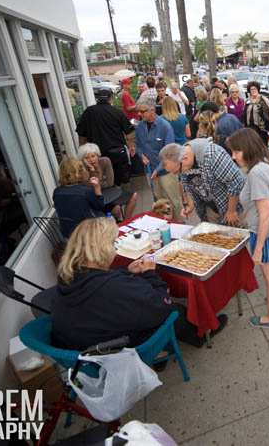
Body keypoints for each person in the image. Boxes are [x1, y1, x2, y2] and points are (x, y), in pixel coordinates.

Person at [51, 218, 227, 350]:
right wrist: (150, 274)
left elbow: (96, 282)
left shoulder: (68, 275)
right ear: (102, 249)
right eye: (113, 243)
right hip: (115, 350)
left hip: (80, 345)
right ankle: (200, 337)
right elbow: (161, 303)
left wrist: (125, 271)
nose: (115, 248)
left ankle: (164, 352)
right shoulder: (115, 287)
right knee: (176, 311)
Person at [226, 129, 269, 329]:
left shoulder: (255, 174)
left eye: (236, 151)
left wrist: (258, 249)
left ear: (246, 149)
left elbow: (264, 215)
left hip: (268, 233)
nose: (233, 156)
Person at [160, 139, 245, 225]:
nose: (177, 174)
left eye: (176, 171)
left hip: (233, 209)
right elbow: (188, 185)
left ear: (185, 158)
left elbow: (235, 182)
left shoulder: (213, 155)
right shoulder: (181, 163)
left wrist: (231, 211)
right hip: (211, 209)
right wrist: (190, 205)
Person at [76, 88, 135, 186]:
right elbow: (129, 133)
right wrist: (131, 146)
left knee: (100, 178)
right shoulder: (117, 112)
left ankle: (106, 197)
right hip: (117, 152)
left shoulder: (88, 112)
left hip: (96, 155)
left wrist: (82, 151)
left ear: (97, 99)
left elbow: (81, 134)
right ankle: (119, 195)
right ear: (111, 98)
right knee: (119, 179)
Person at [135, 97, 181, 221]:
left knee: (173, 200)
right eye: (139, 111)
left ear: (152, 111)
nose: (140, 114)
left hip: (166, 171)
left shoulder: (165, 126)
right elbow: (138, 145)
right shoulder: (139, 127)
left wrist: (158, 169)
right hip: (150, 171)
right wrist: (141, 155)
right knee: (158, 202)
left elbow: (169, 153)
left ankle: (180, 224)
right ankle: (163, 225)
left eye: (142, 111)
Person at [78, 143, 137, 221]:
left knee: (134, 196)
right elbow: (90, 187)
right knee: (116, 209)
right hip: (96, 197)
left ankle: (126, 222)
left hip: (111, 192)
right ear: (83, 160)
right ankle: (117, 222)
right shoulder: (82, 168)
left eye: (93, 156)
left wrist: (98, 184)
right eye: (87, 158)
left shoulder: (105, 161)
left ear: (97, 155)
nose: (91, 160)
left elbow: (110, 183)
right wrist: (92, 170)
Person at [53, 157, 105, 238]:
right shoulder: (85, 191)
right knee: (108, 219)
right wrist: (97, 188)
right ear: (79, 173)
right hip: (87, 232)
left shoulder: (57, 192)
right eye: (83, 169)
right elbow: (100, 206)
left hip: (68, 233)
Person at [244, 81, 269, 145]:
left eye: (255, 89)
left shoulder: (264, 99)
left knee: (262, 146)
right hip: (250, 129)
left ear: (258, 89)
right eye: (251, 89)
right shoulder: (247, 101)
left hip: (262, 129)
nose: (253, 91)